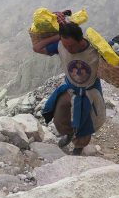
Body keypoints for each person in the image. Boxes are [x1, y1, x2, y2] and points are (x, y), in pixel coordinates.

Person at [33, 20, 106, 156]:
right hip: (70, 87)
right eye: (65, 45)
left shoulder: (95, 50)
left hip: (89, 91)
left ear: (80, 39)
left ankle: (79, 146)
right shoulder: (61, 45)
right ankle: (68, 133)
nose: (68, 49)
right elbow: (37, 48)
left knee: (86, 123)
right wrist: (58, 36)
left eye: (71, 45)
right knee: (59, 115)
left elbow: (117, 52)